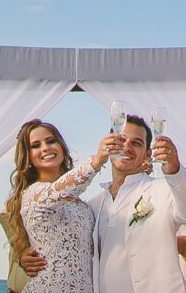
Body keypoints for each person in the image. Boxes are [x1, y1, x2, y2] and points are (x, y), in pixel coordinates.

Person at [91, 113, 186, 293]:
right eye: (121, 140)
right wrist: (29, 256)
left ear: (147, 153)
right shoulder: (94, 205)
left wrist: (174, 169)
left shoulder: (162, 189)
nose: (127, 147)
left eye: (136, 143)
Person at [11, 119, 121, 293]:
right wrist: (97, 160)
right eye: (35, 145)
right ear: (28, 157)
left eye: (50, 140)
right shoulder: (35, 193)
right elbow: (59, 191)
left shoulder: (82, 206)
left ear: (62, 147)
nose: (45, 148)